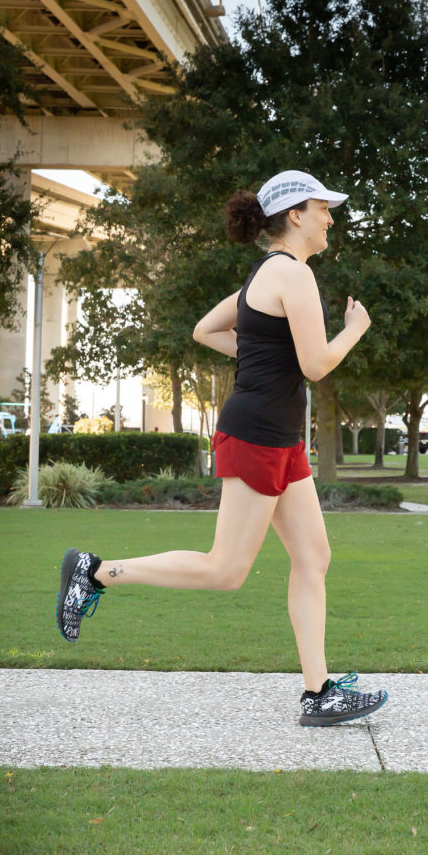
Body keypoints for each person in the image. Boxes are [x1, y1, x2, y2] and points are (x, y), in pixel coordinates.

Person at [56, 170, 388, 728]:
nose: (331, 217)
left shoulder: (266, 273)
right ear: (296, 215)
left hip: (279, 435)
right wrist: (355, 328)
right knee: (226, 569)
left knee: (314, 557)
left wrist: (259, 352)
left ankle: (320, 692)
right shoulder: (293, 274)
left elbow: (205, 329)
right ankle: (94, 572)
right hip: (258, 433)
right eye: (323, 208)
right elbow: (315, 365)